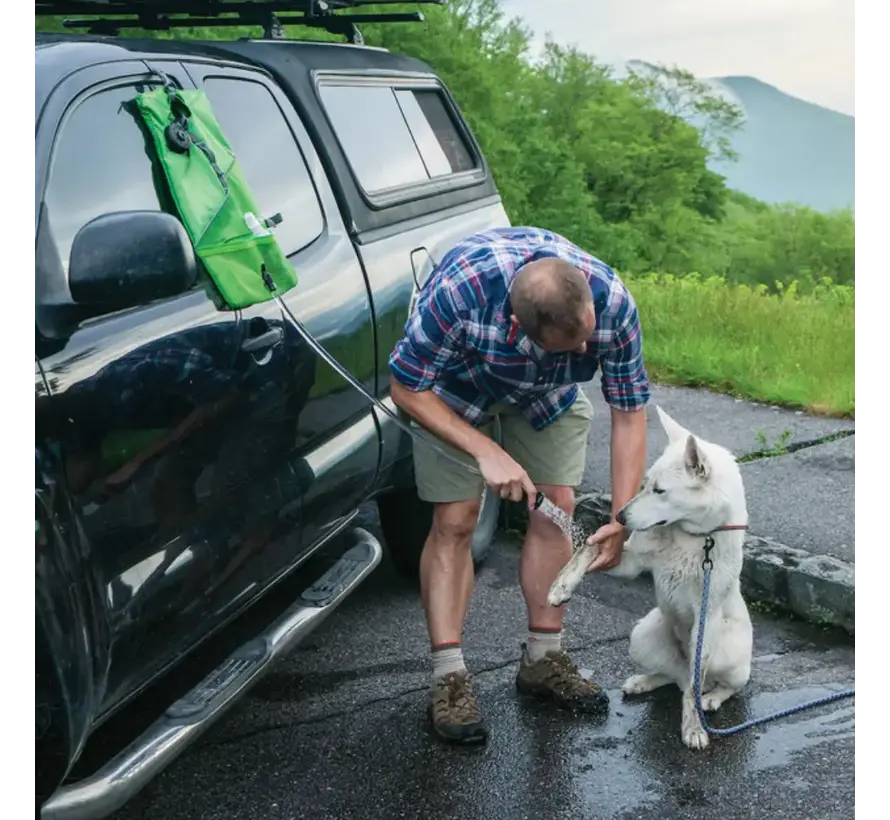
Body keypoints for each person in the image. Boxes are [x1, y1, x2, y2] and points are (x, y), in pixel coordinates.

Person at [388, 226, 650, 743]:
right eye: (569, 344)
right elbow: (406, 385)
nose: (584, 347)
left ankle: (543, 659)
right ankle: (449, 679)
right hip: (453, 391)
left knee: (558, 505)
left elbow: (629, 412)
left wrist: (624, 519)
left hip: (545, 395)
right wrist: (487, 451)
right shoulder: (460, 296)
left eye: (586, 335)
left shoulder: (611, 302)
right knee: (455, 519)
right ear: (517, 326)